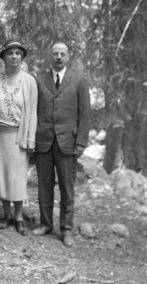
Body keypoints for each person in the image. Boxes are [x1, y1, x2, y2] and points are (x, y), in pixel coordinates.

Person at [33, 41, 91, 247]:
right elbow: (33, 112)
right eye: (55, 53)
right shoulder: (39, 81)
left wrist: (81, 142)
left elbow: (85, 113)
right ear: (51, 56)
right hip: (44, 142)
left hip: (68, 142)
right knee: (44, 186)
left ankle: (67, 229)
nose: (58, 56)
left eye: (62, 54)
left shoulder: (78, 80)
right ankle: (45, 224)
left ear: (68, 56)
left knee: (67, 188)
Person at [0, 40, 37, 236]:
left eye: (18, 53)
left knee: (17, 177)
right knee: (1, 175)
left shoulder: (29, 81)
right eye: (10, 53)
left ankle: (19, 216)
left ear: (22, 57)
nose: (14, 56)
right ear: (3, 57)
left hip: (18, 136)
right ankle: (6, 215)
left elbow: (32, 112)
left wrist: (31, 139)